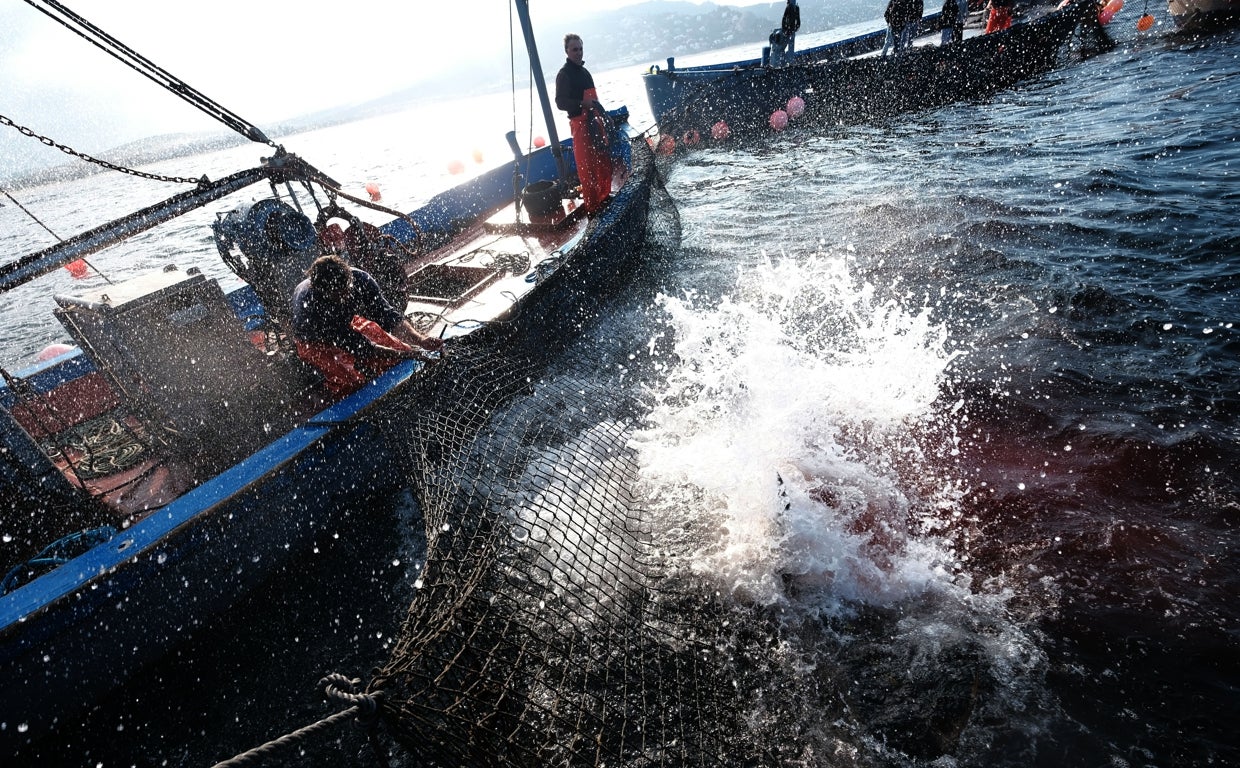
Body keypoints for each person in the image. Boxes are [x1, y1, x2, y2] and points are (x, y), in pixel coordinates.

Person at [291, 255, 442, 398]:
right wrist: (402, 355)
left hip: (348, 324)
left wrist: (420, 340)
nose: (343, 297)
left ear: (349, 277)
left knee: (403, 349)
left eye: (346, 291)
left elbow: (389, 316)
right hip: (313, 341)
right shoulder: (311, 306)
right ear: (322, 292)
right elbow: (360, 348)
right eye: (336, 295)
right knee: (353, 382)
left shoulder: (361, 278)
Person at [554, 34, 613, 216]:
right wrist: (582, 104)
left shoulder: (585, 72)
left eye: (580, 49)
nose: (578, 53)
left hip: (594, 122)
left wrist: (605, 116)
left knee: (602, 162)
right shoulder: (564, 74)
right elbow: (560, 102)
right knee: (587, 168)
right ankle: (593, 208)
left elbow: (595, 100)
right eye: (574, 50)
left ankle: (603, 197)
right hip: (580, 125)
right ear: (567, 51)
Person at [774, 0, 801, 65]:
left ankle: (782, 63)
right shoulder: (795, 8)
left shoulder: (790, 7)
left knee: (781, 49)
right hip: (789, 31)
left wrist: (786, 29)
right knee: (783, 48)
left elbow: (786, 19)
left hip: (788, 31)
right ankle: (785, 62)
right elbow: (796, 20)